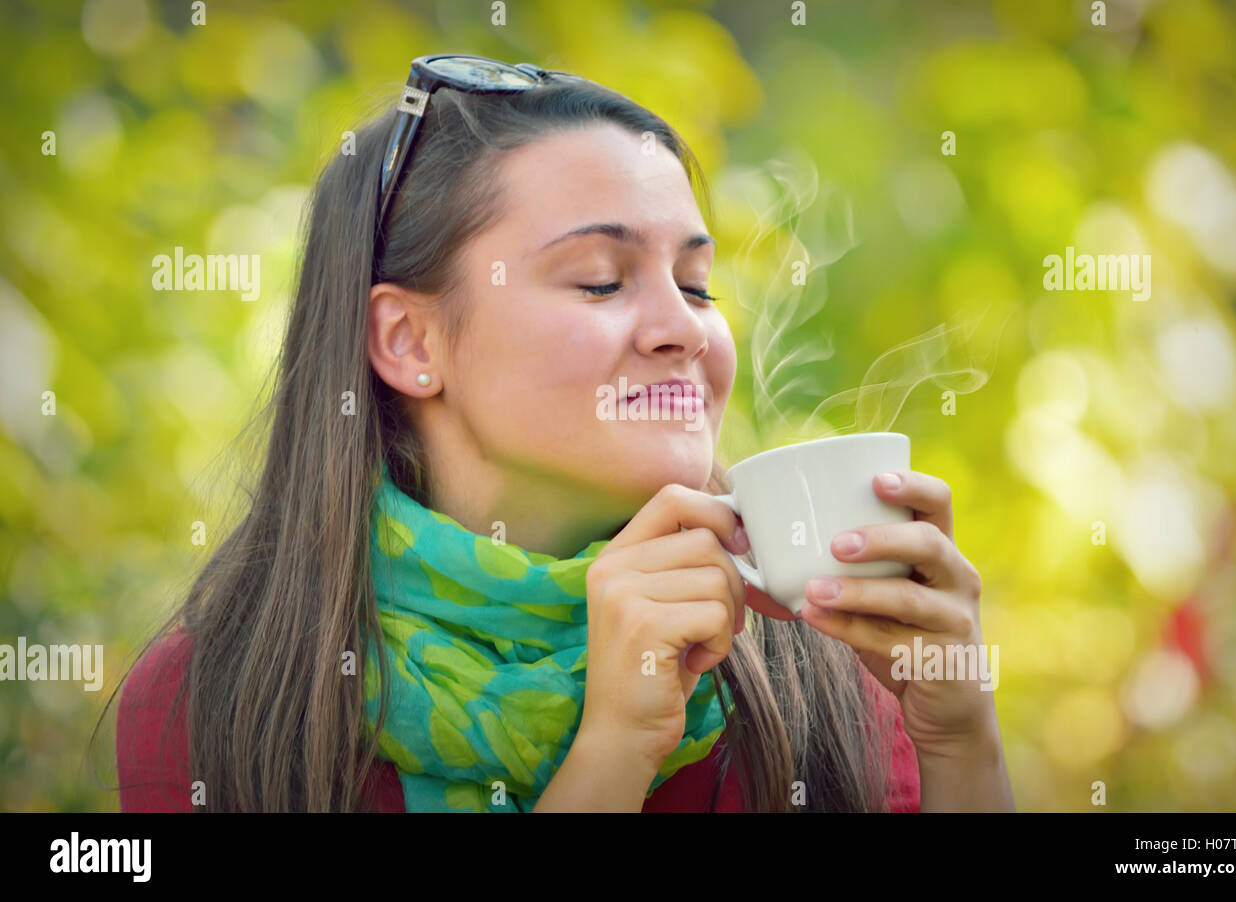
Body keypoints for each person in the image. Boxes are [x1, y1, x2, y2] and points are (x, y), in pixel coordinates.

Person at [110, 56, 1011, 812]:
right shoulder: (218, 701)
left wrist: (960, 739)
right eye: (598, 280)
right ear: (410, 341)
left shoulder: (826, 671)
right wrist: (615, 747)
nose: (685, 328)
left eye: (697, 286)